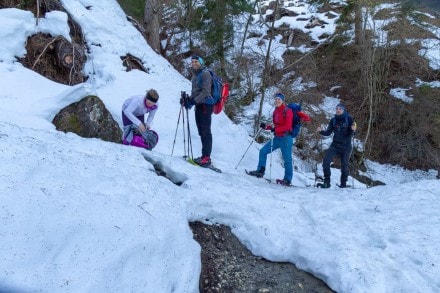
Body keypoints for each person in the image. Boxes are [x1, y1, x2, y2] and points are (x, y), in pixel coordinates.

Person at [247, 93, 294, 186]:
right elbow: (275, 126)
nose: (277, 101)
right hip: (277, 138)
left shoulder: (288, 111)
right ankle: (260, 170)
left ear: (282, 101)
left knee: (287, 159)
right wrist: (266, 127)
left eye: (279, 99)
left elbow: (288, 126)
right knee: (263, 151)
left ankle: (287, 180)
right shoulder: (275, 111)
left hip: (286, 138)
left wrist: (275, 129)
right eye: (276, 99)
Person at [182, 55, 215, 167]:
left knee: (206, 131)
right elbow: (196, 92)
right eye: (192, 62)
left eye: (196, 61)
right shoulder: (195, 76)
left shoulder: (205, 74)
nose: (194, 63)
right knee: (201, 131)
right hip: (199, 105)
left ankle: (207, 158)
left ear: (201, 62)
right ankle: (204, 156)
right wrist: (187, 100)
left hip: (206, 105)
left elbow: (206, 92)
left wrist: (192, 102)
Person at [316, 103, 356, 188]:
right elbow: (328, 132)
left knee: (344, 165)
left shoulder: (349, 119)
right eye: (337, 108)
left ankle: (343, 184)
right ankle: (327, 182)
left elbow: (353, 133)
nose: (338, 110)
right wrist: (320, 131)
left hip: (346, 146)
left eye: (340, 108)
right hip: (335, 145)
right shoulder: (333, 120)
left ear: (343, 110)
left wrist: (353, 130)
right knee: (326, 162)